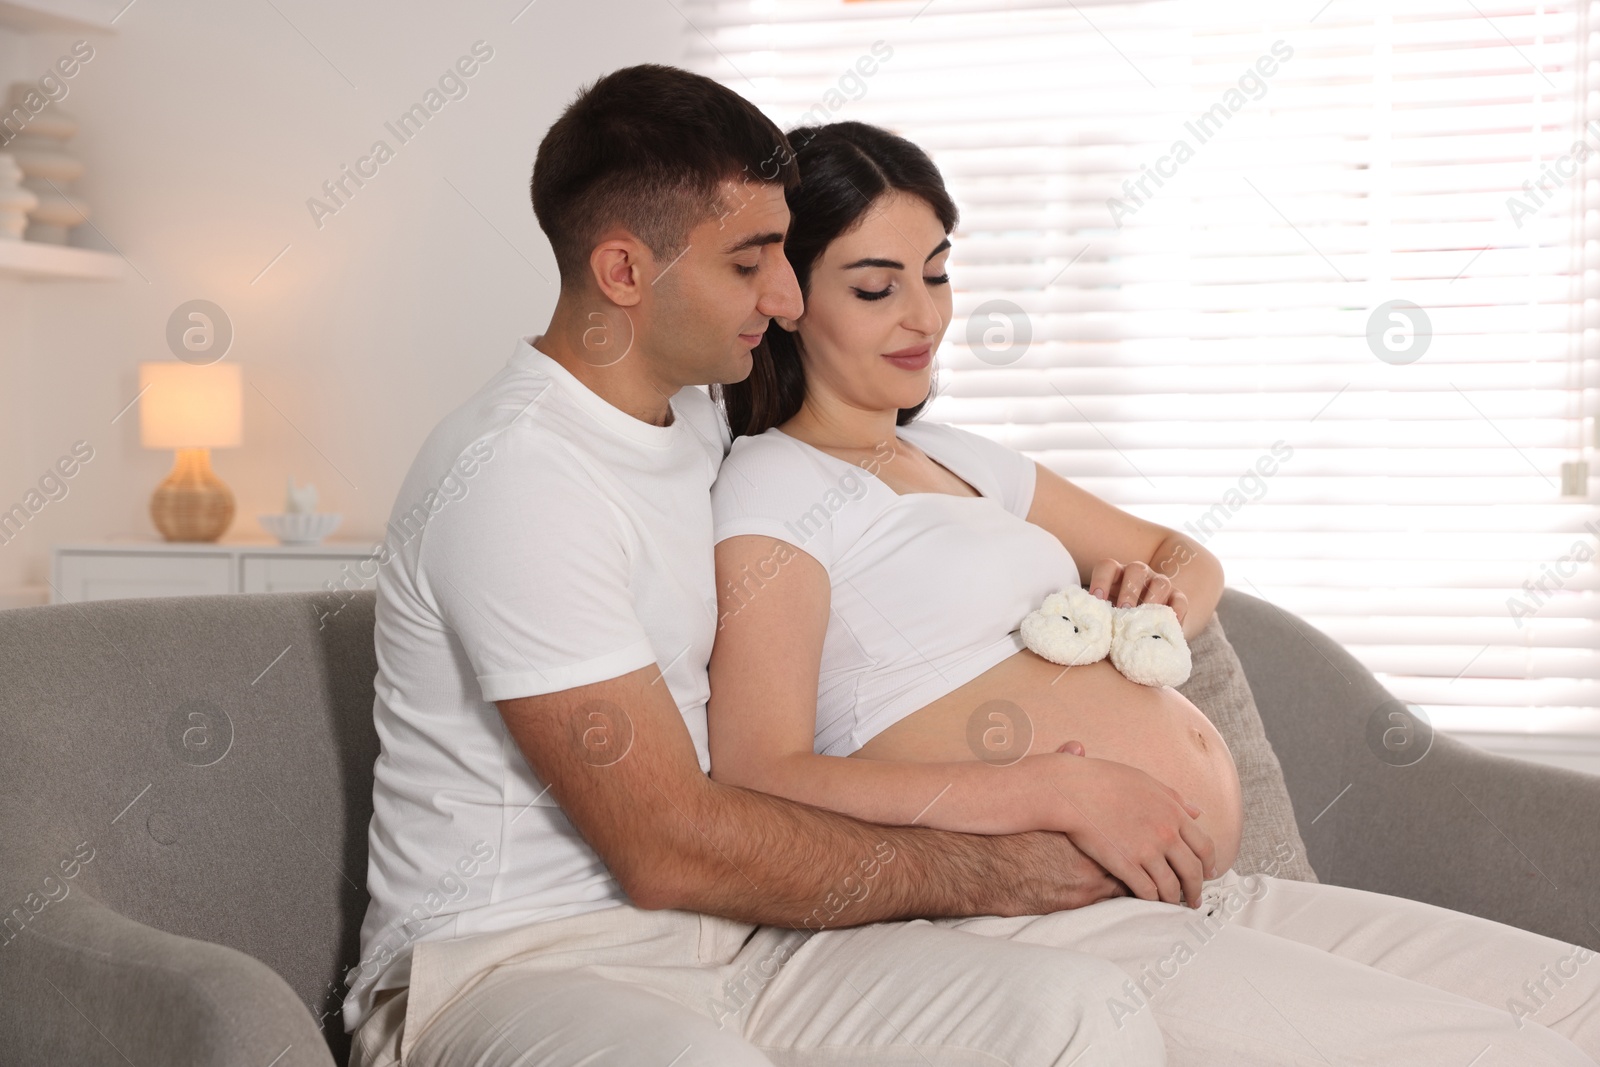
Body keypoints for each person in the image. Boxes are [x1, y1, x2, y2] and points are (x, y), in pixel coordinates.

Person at [705, 119, 1600, 1066]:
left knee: (1580, 1006)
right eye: (877, 287)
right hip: (1042, 912)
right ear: (789, 295)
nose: (924, 317)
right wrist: (1058, 786)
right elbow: (759, 771)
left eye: (937, 272)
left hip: (1200, 892)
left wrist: (1162, 602)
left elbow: (1182, 553)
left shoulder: (961, 460)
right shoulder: (776, 483)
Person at [341, 65, 1172, 1067]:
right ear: (621, 273)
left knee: (1080, 1010)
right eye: (750, 264)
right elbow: (663, 844)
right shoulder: (517, 475)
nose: (783, 297)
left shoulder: (693, 414)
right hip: (513, 961)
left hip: (727, 940)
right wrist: (990, 868)